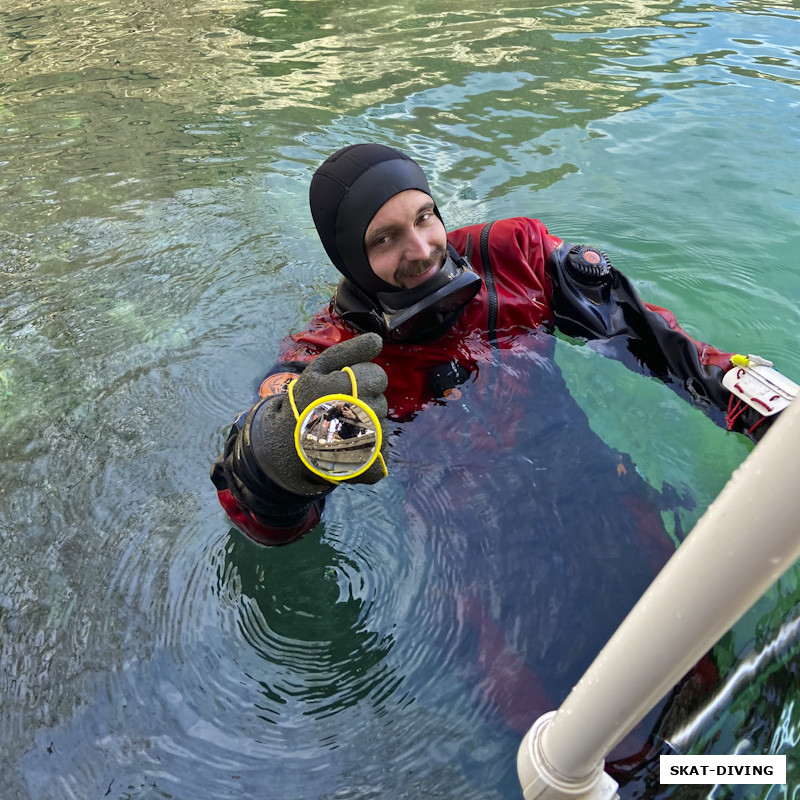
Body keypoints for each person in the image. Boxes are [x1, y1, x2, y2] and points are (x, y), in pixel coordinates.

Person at [211, 142, 782, 548]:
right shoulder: (330, 355)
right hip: (472, 546)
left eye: (424, 216)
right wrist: (278, 457)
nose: (421, 249)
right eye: (385, 238)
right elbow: (264, 515)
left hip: (595, 485)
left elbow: (656, 343)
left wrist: (763, 410)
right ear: (349, 260)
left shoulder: (516, 257)